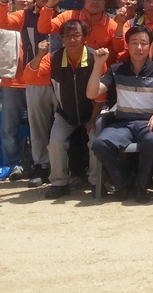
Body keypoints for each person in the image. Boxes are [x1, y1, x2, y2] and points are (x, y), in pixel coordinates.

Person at [88, 25, 153, 202]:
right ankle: (124, 183)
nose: (139, 47)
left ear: (150, 46)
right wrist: (98, 65)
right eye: (134, 43)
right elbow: (92, 93)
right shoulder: (116, 69)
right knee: (100, 144)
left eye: (144, 43)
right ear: (127, 45)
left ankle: (142, 186)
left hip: (149, 123)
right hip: (122, 124)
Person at [23, 20, 105, 199]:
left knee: (95, 141)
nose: (71, 40)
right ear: (61, 39)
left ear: (85, 38)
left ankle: (95, 181)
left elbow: (100, 95)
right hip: (65, 114)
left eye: (76, 35)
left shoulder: (95, 58)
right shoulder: (52, 58)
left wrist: (93, 119)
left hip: (91, 113)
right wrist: (39, 55)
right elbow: (29, 76)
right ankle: (59, 183)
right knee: (55, 142)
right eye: (67, 36)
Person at [0, 0, 63, 186]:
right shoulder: (24, 15)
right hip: (34, 79)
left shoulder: (64, 16)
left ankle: (62, 167)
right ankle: (40, 165)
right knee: (37, 129)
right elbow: (3, 23)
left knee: (62, 126)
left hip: (61, 80)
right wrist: (3, 2)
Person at [39, 0, 119, 63]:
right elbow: (44, 29)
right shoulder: (68, 16)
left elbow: (118, 51)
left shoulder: (113, 26)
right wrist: (49, 6)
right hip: (68, 68)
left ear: (106, 1)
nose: (95, 1)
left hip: (99, 69)